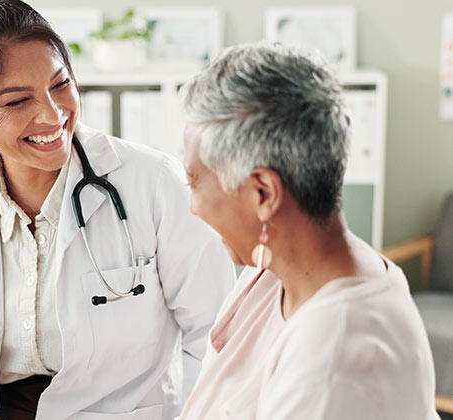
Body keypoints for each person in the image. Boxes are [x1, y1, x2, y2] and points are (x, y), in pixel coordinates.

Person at [0, 1, 235, 419]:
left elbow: (216, 331)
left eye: (60, 84)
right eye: (17, 102)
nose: (52, 115)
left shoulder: (154, 182)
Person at [178, 43, 438, 419]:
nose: (193, 206)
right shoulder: (274, 265)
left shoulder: (335, 363)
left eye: (194, 181)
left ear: (263, 193)